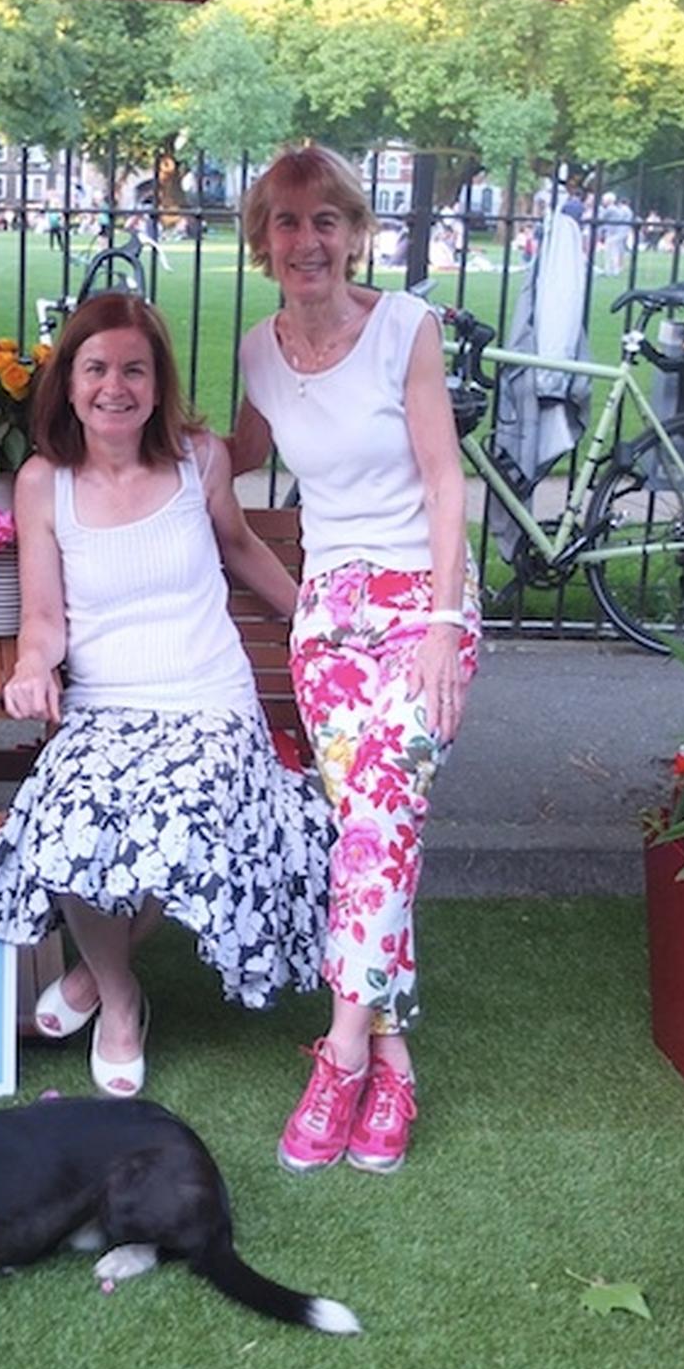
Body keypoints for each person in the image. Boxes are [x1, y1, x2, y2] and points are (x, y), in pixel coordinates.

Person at [0, 293, 331, 1097]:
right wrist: (33, 666)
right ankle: (121, 986)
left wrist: (317, 620)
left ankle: (98, 988)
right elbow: (42, 619)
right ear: (68, 383)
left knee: (184, 817)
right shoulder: (42, 484)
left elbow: (240, 548)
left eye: (135, 369)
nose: (115, 386)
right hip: (106, 704)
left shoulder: (198, 460)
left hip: (209, 700)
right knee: (67, 820)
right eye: (96, 368)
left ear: (158, 382)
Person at [230, 145, 479, 1177]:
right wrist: (112, 434)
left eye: (325, 219)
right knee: (366, 829)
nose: (307, 242)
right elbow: (234, 453)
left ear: (353, 231)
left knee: (378, 818)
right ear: (262, 242)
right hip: (326, 615)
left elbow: (443, 483)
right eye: (286, 223)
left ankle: (338, 1052)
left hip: (418, 604)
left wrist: (441, 625)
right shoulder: (257, 350)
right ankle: (393, 1052)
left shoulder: (403, 329)